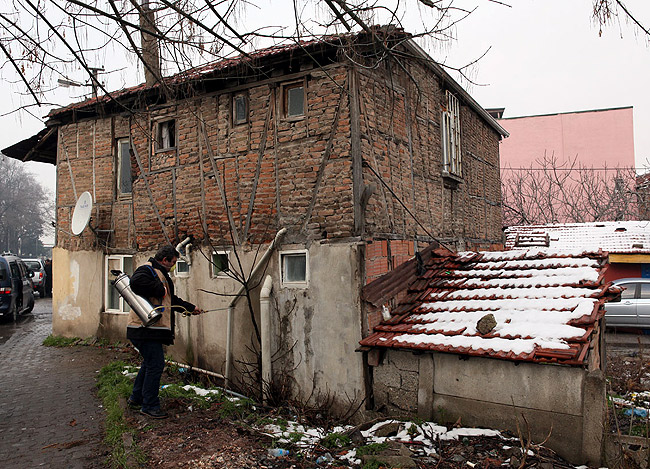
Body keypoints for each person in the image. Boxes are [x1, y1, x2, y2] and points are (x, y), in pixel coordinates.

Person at [127, 245, 204, 418]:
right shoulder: (148, 270)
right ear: (164, 260)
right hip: (144, 328)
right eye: (174, 262)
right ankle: (149, 406)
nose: (174, 265)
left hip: (148, 330)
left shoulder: (160, 274)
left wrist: (190, 308)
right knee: (155, 365)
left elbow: (170, 300)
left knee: (149, 363)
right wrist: (159, 289)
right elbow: (135, 282)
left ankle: (137, 398)